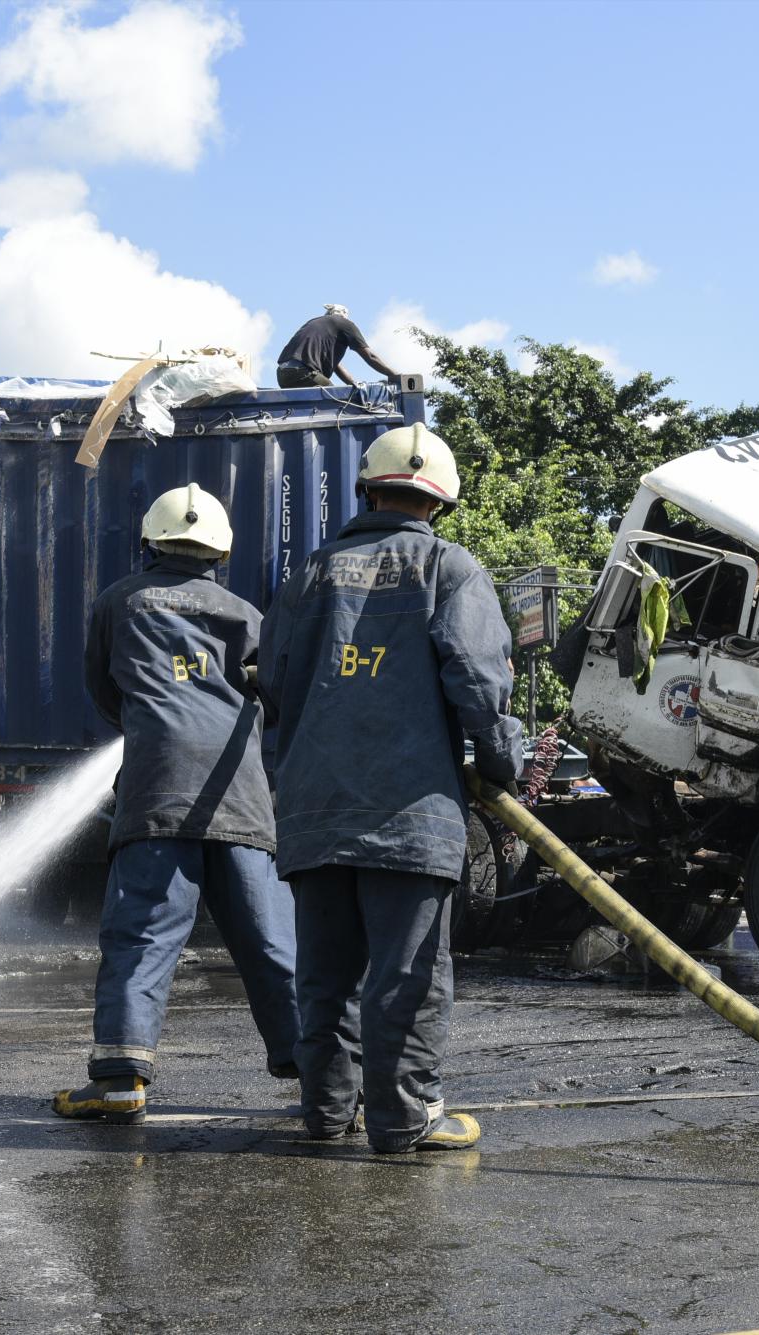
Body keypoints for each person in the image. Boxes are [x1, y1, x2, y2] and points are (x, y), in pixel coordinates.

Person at [258, 423, 523, 1154]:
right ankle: (405, 1118)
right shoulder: (449, 568)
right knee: (405, 976)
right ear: (440, 501)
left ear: (366, 489)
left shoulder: (309, 573)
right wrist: (502, 764)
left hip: (314, 810)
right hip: (411, 813)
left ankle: (325, 1112)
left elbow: (273, 684)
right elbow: (477, 679)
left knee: (326, 974)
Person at [52, 485, 300, 1122]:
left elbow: (104, 690)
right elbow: (274, 697)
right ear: (219, 551)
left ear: (150, 542)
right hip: (239, 795)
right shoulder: (245, 613)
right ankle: (324, 1076)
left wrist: (153, 722)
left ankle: (118, 1082)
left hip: (157, 789)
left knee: (142, 934)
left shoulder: (119, 603)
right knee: (272, 941)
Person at [274, 304, 398, 389]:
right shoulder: (345, 324)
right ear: (344, 316)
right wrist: (395, 375)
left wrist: (353, 384)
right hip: (302, 373)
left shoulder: (314, 323)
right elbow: (370, 356)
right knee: (337, 399)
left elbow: (337, 367)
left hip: (282, 374)